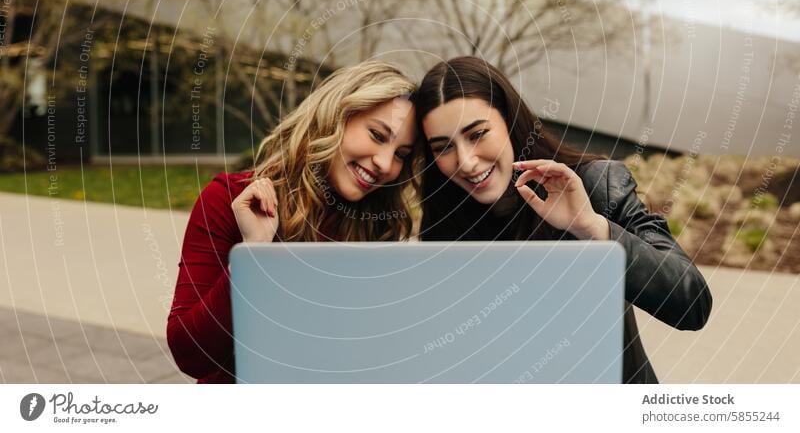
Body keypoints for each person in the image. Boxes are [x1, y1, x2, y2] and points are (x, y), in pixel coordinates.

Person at [415, 56, 712, 384]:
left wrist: (593, 227)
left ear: (510, 121)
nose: (466, 162)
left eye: (477, 134)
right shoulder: (445, 222)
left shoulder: (596, 184)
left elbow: (691, 304)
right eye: (444, 148)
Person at [167, 60, 419, 383]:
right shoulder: (231, 200)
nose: (385, 163)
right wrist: (253, 256)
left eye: (401, 154)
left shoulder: (378, 227)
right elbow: (190, 355)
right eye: (377, 135)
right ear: (335, 117)